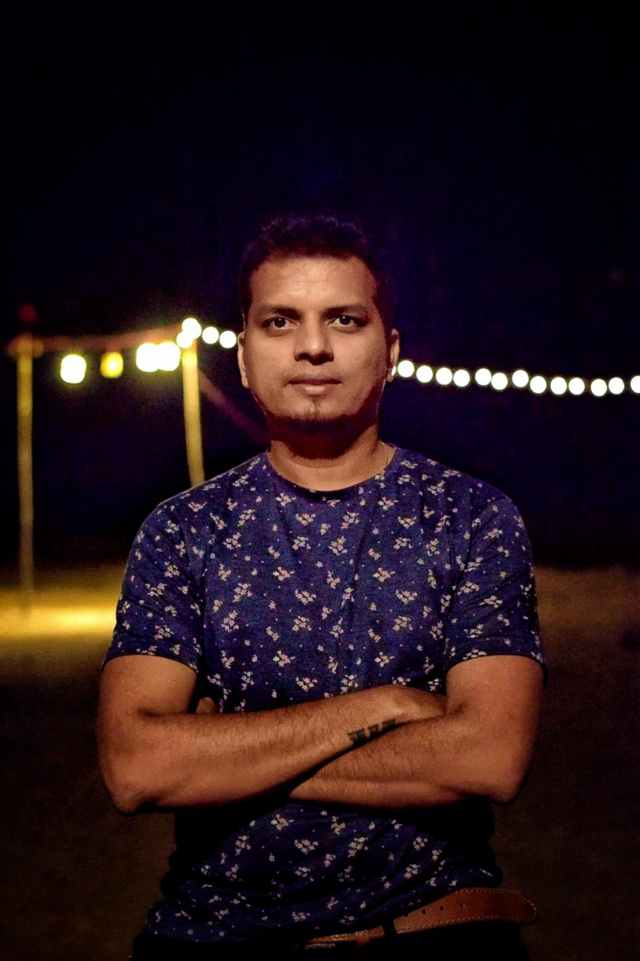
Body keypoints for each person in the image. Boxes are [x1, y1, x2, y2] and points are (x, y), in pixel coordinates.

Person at [97, 212, 546, 960]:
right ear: (244, 355)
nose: (313, 346)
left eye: (344, 318)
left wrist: (223, 756)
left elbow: (491, 757)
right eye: (280, 321)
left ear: (389, 350)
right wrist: (386, 707)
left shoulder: (469, 517)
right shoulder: (183, 530)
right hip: (211, 935)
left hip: (432, 928)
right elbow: (136, 767)